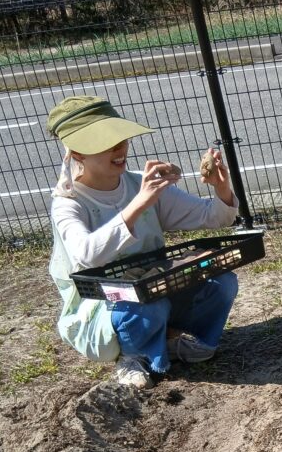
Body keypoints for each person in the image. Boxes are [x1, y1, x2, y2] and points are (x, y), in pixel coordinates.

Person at [46, 95, 240, 389]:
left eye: (120, 138)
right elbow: (87, 254)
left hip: (156, 288)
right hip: (104, 306)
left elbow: (213, 217)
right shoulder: (69, 202)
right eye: (104, 142)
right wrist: (140, 203)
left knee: (220, 282)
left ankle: (176, 341)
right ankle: (132, 355)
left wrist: (221, 188)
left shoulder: (140, 183)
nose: (119, 148)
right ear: (77, 153)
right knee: (145, 302)